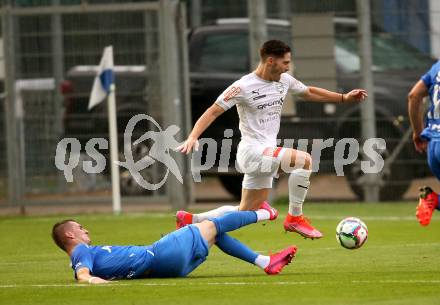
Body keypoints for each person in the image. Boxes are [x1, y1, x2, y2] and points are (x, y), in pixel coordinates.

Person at [177, 39, 367, 238]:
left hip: (265, 152)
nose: (288, 67)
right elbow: (213, 111)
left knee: (247, 211)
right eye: (285, 62)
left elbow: (308, 92)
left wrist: (344, 98)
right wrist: (192, 136)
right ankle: (295, 217)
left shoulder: (284, 80)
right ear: (270, 61)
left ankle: (191, 220)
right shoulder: (243, 86)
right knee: (305, 161)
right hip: (252, 152)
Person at [51, 208, 296, 284]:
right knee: (214, 224)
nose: (86, 230)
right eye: (81, 228)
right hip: (159, 254)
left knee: (214, 234)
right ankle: (266, 213)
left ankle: (265, 261)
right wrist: (94, 281)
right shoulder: (80, 252)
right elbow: (82, 274)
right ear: (71, 234)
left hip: (172, 268)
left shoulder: (84, 254)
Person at [408, 59, 440, 226]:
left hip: (433, 147)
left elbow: (414, 95)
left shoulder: (437, 67)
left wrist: (418, 132)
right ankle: (433, 199)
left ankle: (432, 199)